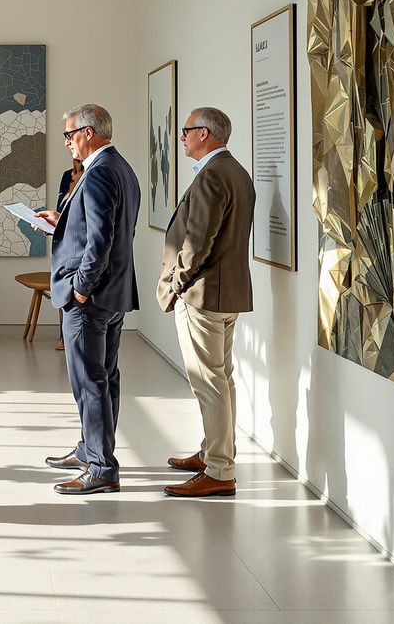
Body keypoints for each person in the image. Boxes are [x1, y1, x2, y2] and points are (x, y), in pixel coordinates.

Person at [36, 104, 140, 495]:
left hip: (91, 297)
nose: (67, 143)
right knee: (106, 375)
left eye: (69, 135)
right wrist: (60, 222)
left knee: (88, 380)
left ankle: (101, 467)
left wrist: (80, 287)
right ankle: (90, 449)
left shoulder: (98, 173)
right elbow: (105, 227)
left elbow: (101, 241)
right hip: (114, 292)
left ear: (88, 133)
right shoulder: (121, 169)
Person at [157, 107, 255, 498]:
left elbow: (198, 241)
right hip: (226, 292)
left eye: (186, 131)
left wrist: (177, 284)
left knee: (209, 383)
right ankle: (214, 454)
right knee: (222, 379)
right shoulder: (235, 171)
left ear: (206, 134)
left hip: (203, 293)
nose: (181, 137)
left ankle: (219, 470)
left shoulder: (213, 174)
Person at [52, 158, 86, 352]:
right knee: (64, 291)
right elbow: (61, 212)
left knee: (76, 291)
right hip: (63, 245)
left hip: (78, 247)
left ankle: (68, 337)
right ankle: (64, 335)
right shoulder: (67, 176)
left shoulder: (91, 175)